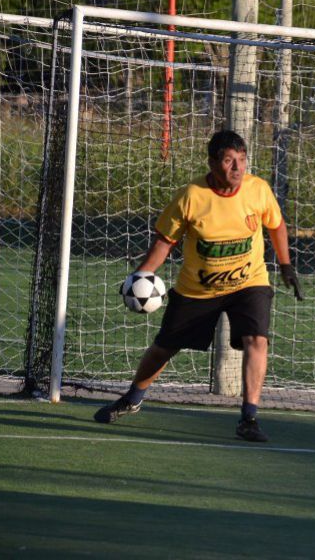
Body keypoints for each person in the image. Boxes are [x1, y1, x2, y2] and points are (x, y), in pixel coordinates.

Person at [94, 130, 303, 443]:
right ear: (212, 162)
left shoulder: (257, 190)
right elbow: (165, 242)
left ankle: (249, 417)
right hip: (198, 290)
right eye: (229, 160)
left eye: (242, 161)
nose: (237, 168)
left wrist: (285, 265)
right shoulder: (191, 196)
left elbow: (276, 225)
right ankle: (133, 398)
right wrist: (138, 278)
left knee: (257, 339)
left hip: (250, 282)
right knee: (164, 347)